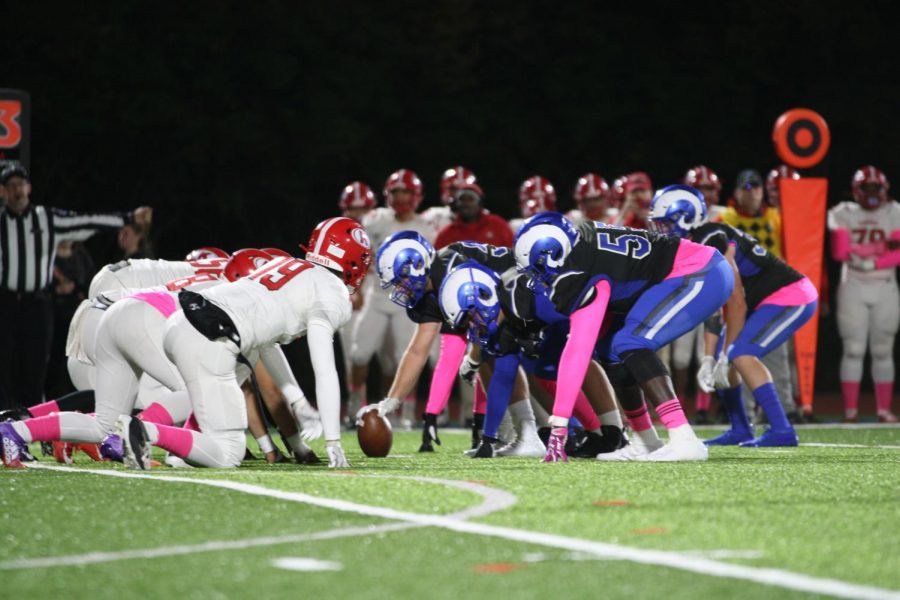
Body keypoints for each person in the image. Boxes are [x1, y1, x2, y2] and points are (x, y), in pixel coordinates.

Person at [117, 217, 370, 469]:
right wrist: (333, 441)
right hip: (212, 335)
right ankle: (144, 431)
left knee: (239, 369)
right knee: (229, 453)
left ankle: (174, 450)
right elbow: (325, 369)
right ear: (352, 258)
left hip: (182, 321)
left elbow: (267, 346)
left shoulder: (285, 263)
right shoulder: (333, 290)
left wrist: (299, 401)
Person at [514, 211, 734, 461]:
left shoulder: (582, 271)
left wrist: (560, 423)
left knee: (630, 341)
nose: (537, 279)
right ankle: (646, 440)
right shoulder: (580, 251)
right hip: (680, 274)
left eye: (537, 269)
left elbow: (578, 348)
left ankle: (683, 437)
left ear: (552, 254)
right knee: (609, 351)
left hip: (700, 271)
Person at [649, 184, 817, 447]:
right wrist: (708, 357)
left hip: (790, 295)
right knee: (722, 357)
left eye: (665, 223)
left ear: (685, 217)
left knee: (740, 354)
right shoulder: (699, 242)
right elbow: (714, 304)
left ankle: (782, 429)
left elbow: (736, 303)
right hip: (765, 301)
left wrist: (728, 356)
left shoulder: (711, 237)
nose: (661, 230)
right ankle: (741, 429)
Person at [0, 162, 151, 410]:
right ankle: (4, 419)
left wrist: (125, 218)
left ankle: (29, 423)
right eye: (11, 185)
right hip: (5, 302)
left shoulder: (46, 218)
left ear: (29, 188)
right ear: (3, 191)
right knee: (3, 364)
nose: (17, 191)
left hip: (36, 303)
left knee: (36, 366)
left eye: (21, 184)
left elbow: (86, 221)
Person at [349, 170, 435, 429]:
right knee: (359, 354)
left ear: (416, 195)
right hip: (377, 295)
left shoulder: (426, 228)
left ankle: (404, 411)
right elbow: (361, 257)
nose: (400, 197)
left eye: (405, 191)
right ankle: (354, 405)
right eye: (396, 191)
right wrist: (357, 289)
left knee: (403, 357)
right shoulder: (375, 221)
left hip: (406, 301)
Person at [721, 169, 797, 420]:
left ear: (763, 191)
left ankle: (784, 408)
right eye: (745, 188)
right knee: (739, 354)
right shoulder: (725, 218)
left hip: (772, 296)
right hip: (739, 296)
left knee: (778, 355)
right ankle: (746, 412)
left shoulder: (776, 217)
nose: (750, 192)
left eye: (755, 187)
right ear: (736, 192)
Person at [827, 166, 900, 423]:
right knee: (853, 350)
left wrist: (865, 255)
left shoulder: (895, 212)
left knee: (882, 350)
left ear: (884, 190)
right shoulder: (843, 212)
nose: (871, 193)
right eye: (865, 188)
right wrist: (881, 247)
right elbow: (840, 251)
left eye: (875, 188)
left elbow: (898, 252)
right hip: (854, 286)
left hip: (884, 285)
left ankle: (883, 410)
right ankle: (851, 412)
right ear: (856, 191)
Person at [672, 165, 724, 422]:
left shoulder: (726, 216)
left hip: (712, 290)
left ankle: (704, 408)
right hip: (684, 291)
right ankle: (679, 402)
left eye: (708, 188)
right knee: (681, 358)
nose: (704, 193)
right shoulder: (675, 213)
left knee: (705, 353)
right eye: (699, 188)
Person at [435, 182, 514, 249]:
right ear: (456, 204)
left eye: (471, 199)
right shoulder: (447, 233)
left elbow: (513, 255)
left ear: (480, 203)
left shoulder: (498, 226)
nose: (466, 203)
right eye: (462, 199)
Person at [422, 166, 477, 237]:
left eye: (464, 190)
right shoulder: (432, 216)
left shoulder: (484, 219)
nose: (459, 195)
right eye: (454, 189)